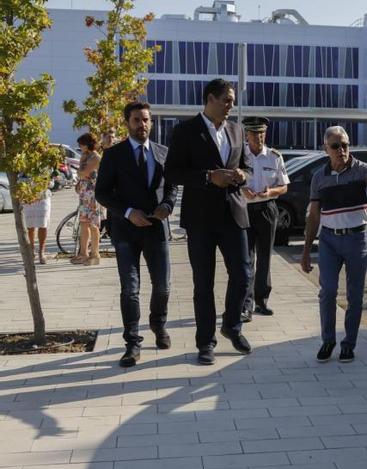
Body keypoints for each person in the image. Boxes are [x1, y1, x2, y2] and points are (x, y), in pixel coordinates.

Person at [300, 126, 367, 363]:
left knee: (355, 295)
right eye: (336, 146)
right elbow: (313, 216)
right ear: (325, 149)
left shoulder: (361, 169)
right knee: (327, 292)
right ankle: (328, 341)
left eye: (346, 145)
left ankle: (348, 344)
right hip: (328, 240)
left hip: (357, 239)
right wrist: (306, 251)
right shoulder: (319, 177)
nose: (342, 150)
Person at [164, 78, 253, 366]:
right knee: (204, 283)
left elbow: (248, 166)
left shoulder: (237, 130)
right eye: (227, 99)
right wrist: (207, 178)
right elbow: (173, 173)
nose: (231, 105)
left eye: (232, 100)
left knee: (243, 275)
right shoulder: (185, 131)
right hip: (201, 219)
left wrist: (242, 174)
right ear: (210, 99)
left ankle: (231, 325)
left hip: (234, 214)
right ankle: (205, 342)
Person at [95, 101, 178, 368]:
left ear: (151, 122)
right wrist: (128, 211)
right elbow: (102, 193)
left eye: (145, 120)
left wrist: (167, 206)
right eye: (136, 120)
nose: (142, 125)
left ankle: (158, 324)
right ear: (127, 123)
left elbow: (171, 187)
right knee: (130, 289)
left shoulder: (163, 152)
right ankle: (132, 343)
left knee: (163, 286)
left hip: (156, 229)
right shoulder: (113, 155)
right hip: (126, 232)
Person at [240, 116, 289, 322]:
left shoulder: (274, 156)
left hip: (267, 209)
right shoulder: (239, 155)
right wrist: (243, 189)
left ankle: (262, 300)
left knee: (265, 257)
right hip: (244, 209)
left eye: (261, 133)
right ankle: (246, 304)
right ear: (246, 134)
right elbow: (231, 180)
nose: (258, 137)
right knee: (246, 259)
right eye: (253, 133)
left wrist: (271, 192)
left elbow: (284, 186)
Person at [74, 132, 102, 265]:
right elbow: (81, 173)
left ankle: (95, 254)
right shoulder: (85, 156)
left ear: (87, 144)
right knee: (84, 223)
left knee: (93, 224)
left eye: (81, 144)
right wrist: (80, 176)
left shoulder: (95, 157)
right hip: (84, 193)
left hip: (93, 194)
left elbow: (83, 172)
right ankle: (83, 253)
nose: (80, 146)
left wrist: (81, 173)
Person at [21, 176, 51, 264]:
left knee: (43, 224)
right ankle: (31, 251)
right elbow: (19, 178)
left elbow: (51, 182)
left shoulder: (46, 164)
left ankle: (41, 252)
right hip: (28, 197)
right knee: (30, 226)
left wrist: (48, 182)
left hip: (43, 196)